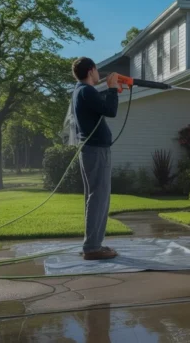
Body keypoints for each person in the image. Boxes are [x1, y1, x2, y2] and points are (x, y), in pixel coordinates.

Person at [71, 57, 120, 260]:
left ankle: (93, 244)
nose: (99, 73)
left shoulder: (80, 90)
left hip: (90, 150)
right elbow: (111, 111)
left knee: (94, 198)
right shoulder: (87, 90)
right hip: (96, 150)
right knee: (99, 198)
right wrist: (112, 89)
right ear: (91, 70)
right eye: (97, 70)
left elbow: (102, 107)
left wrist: (111, 91)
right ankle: (92, 248)